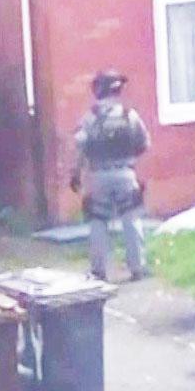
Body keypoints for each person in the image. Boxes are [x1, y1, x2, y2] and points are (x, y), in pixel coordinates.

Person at [71, 70, 150, 281]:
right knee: (131, 220)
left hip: (98, 176)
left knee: (98, 221)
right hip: (125, 174)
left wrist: (76, 174)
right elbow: (143, 144)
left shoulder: (89, 118)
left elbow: (80, 148)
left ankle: (99, 270)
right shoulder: (129, 115)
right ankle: (138, 267)